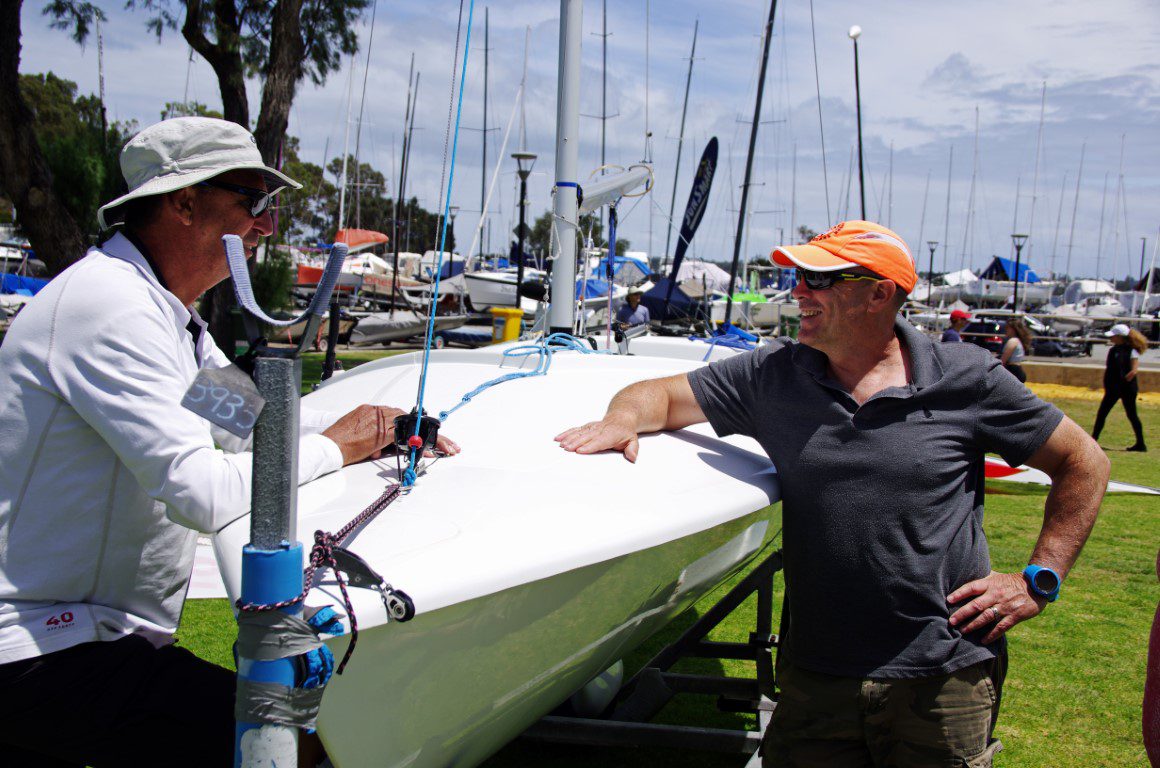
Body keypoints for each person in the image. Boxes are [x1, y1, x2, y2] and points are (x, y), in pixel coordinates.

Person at [556, 220, 1108, 767]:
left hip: (944, 677)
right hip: (816, 677)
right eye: (799, 277)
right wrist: (623, 418)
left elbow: (1084, 461)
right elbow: (658, 393)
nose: (797, 291)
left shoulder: (968, 377)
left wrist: (1040, 578)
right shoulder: (775, 374)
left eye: (818, 280)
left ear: (879, 293)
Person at [0, 117, 458, 768]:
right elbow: (202, 492)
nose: (267, 226)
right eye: (254, 201)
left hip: (93, 639)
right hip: (39, 650)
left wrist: (377, 431)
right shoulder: (110, 308)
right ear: (183, 203)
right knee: (294, 749)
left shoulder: (170, 320)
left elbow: (244, 424)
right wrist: (337, 446)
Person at [1091, 323, 1148, 452]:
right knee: (1102, 414)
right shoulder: (1113, 350)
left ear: (1120, 337)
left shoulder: (1131, 351)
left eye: (1113, 336)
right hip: (1113, 389)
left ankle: (1141, 443)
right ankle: (1093, 440)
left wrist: (1122, 381)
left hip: (1126, 389)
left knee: (1132, 415)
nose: (1111, 338)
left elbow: (1133, 371)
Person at [1000, 317, 1032, 382]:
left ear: (1012, 329)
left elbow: (1003, 360)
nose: (1005, 329)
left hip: (1013, 372)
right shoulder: (1018, 341)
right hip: (1017, 371)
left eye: (1007, 327)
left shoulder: (1013, 341)